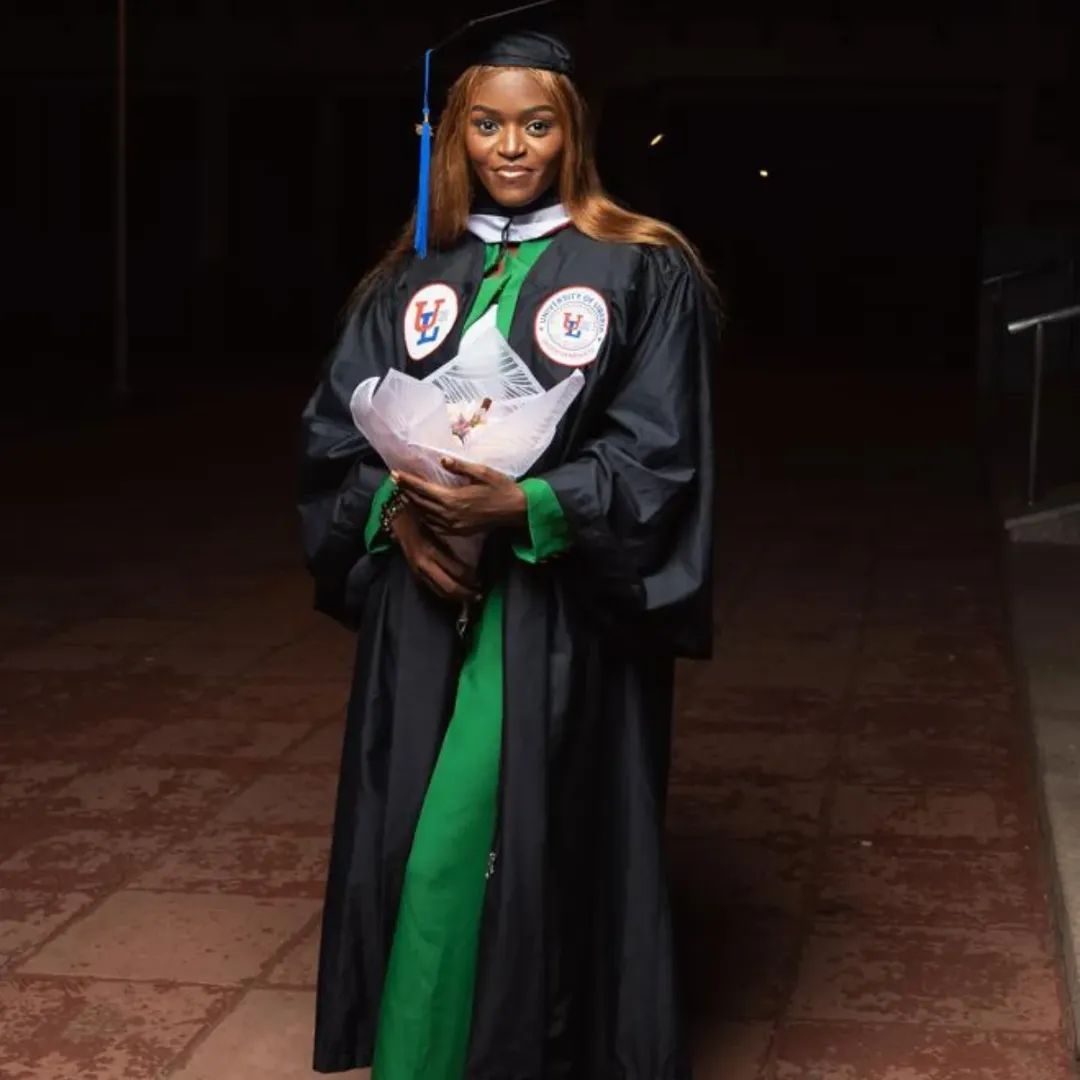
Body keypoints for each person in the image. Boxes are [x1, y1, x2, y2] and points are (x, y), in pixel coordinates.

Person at [296, 6, 720, 1077]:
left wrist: (530, 507)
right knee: (414, 833)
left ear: (574, 130)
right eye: (486, 125)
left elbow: (661, 454)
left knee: (483, 840)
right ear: (454, 133)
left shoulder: (641, 268)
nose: (512, 148)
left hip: (549, 615)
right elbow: (336, 432)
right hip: (421, 600)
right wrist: (395, 513)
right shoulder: (412, 274)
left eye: (537, 124)